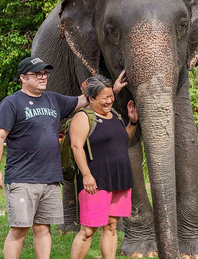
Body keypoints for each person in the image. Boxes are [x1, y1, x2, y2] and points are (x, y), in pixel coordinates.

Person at [0, 56, 126, 259]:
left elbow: (85, 100)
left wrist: (111, 90)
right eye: (37, 74)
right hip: (22, 177)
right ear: (23, 78)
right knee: (19, 229)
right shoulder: (11, 103)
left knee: (43, 228)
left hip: (51, 178)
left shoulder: (53, 99)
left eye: (45, 73)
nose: (43, 77)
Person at [69, 75, 138, 259]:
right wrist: (86, 175)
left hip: (119, 179)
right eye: (105, 98)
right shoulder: (83, 117)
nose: (110, 101)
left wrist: (132, 122)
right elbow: (76, 147)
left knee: (111, 226)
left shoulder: (115, 115)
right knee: (88, 230)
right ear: (91, 99)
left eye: (111, 97)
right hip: (96, 180)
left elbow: (122, 140)